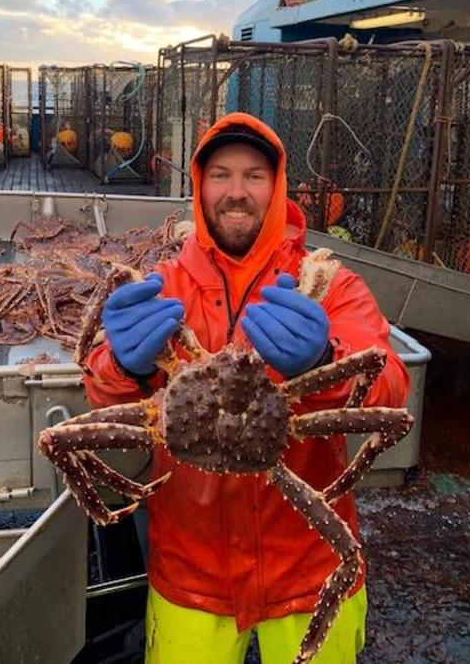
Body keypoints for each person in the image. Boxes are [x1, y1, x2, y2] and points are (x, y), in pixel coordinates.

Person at [83, 112, 410, 664]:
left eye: (254, 176)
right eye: (222, 175)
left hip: (308, 564)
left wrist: (327, 359)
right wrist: (125, 367)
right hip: (192, 571)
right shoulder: (165, 287)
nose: (237, 192)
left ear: (277, 186)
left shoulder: (325, 285)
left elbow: (393, 390)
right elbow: (104, 400)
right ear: (199, 186)